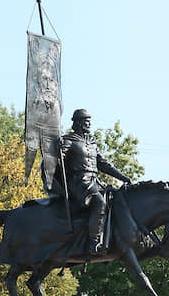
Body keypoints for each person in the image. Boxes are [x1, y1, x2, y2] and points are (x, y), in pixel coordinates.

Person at [56, 109, 131, 255]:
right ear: (77, 122)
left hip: (95, 181)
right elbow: (57, 162)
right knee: (99, 202)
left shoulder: (91, 142)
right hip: (78, 182)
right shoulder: (68, 140)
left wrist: (123, 177)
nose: (89, 124)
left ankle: (110, 239)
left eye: (89, 121)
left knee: (114, 199)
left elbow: (104, 164)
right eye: (86, 121)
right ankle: (93, 243)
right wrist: (57, 149)